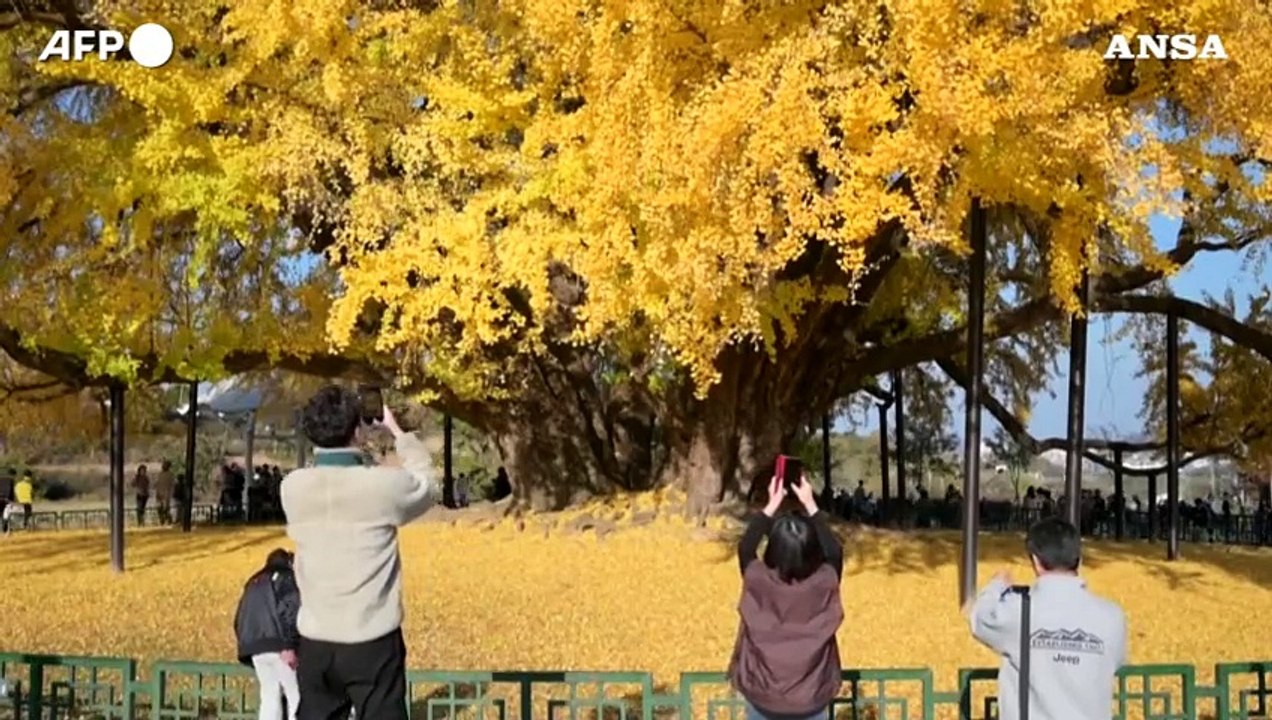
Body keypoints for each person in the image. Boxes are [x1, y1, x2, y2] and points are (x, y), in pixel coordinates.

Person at [282, 386, 437, 720]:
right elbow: (427, 485)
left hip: (316, 639)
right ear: (357, 430)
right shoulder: (382, 486)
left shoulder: (292, 488)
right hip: (372, 637)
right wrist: (399, 434)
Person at [966, 517, 1128, 720]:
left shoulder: (1019, 611)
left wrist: (996, 585)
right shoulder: (1111, 616)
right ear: (1079, 560)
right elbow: (1116, 661)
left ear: (1035, 561)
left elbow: (979, 618)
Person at [728, 474, 844, 720]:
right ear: (812, 550)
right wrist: (810, 504)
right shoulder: (824, 582)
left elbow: (745, 548)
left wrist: (771, 504)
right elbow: (835, 552)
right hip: (811, 698)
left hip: (763, 696)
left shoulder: (758, 578)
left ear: (773, 548)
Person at [235, 548, 301, 720]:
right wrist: (289, 644)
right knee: (296, 695)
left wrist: (246, 646)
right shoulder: (286, 578)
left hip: (255, 649)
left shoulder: (253, 582)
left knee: (270, 696)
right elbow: (290, 610)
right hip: (280, 646)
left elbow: (240, 618)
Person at [155, 460, 175, 525]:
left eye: (165, 465)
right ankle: (162, 519)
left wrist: (170, 494)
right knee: (159, 508)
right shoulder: (160, 474)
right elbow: (157, 484)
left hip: (166, 494)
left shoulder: (170, 475)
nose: (163, 466)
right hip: (159, 493)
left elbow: (172, 485)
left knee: (166, 509)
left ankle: (168, 519)